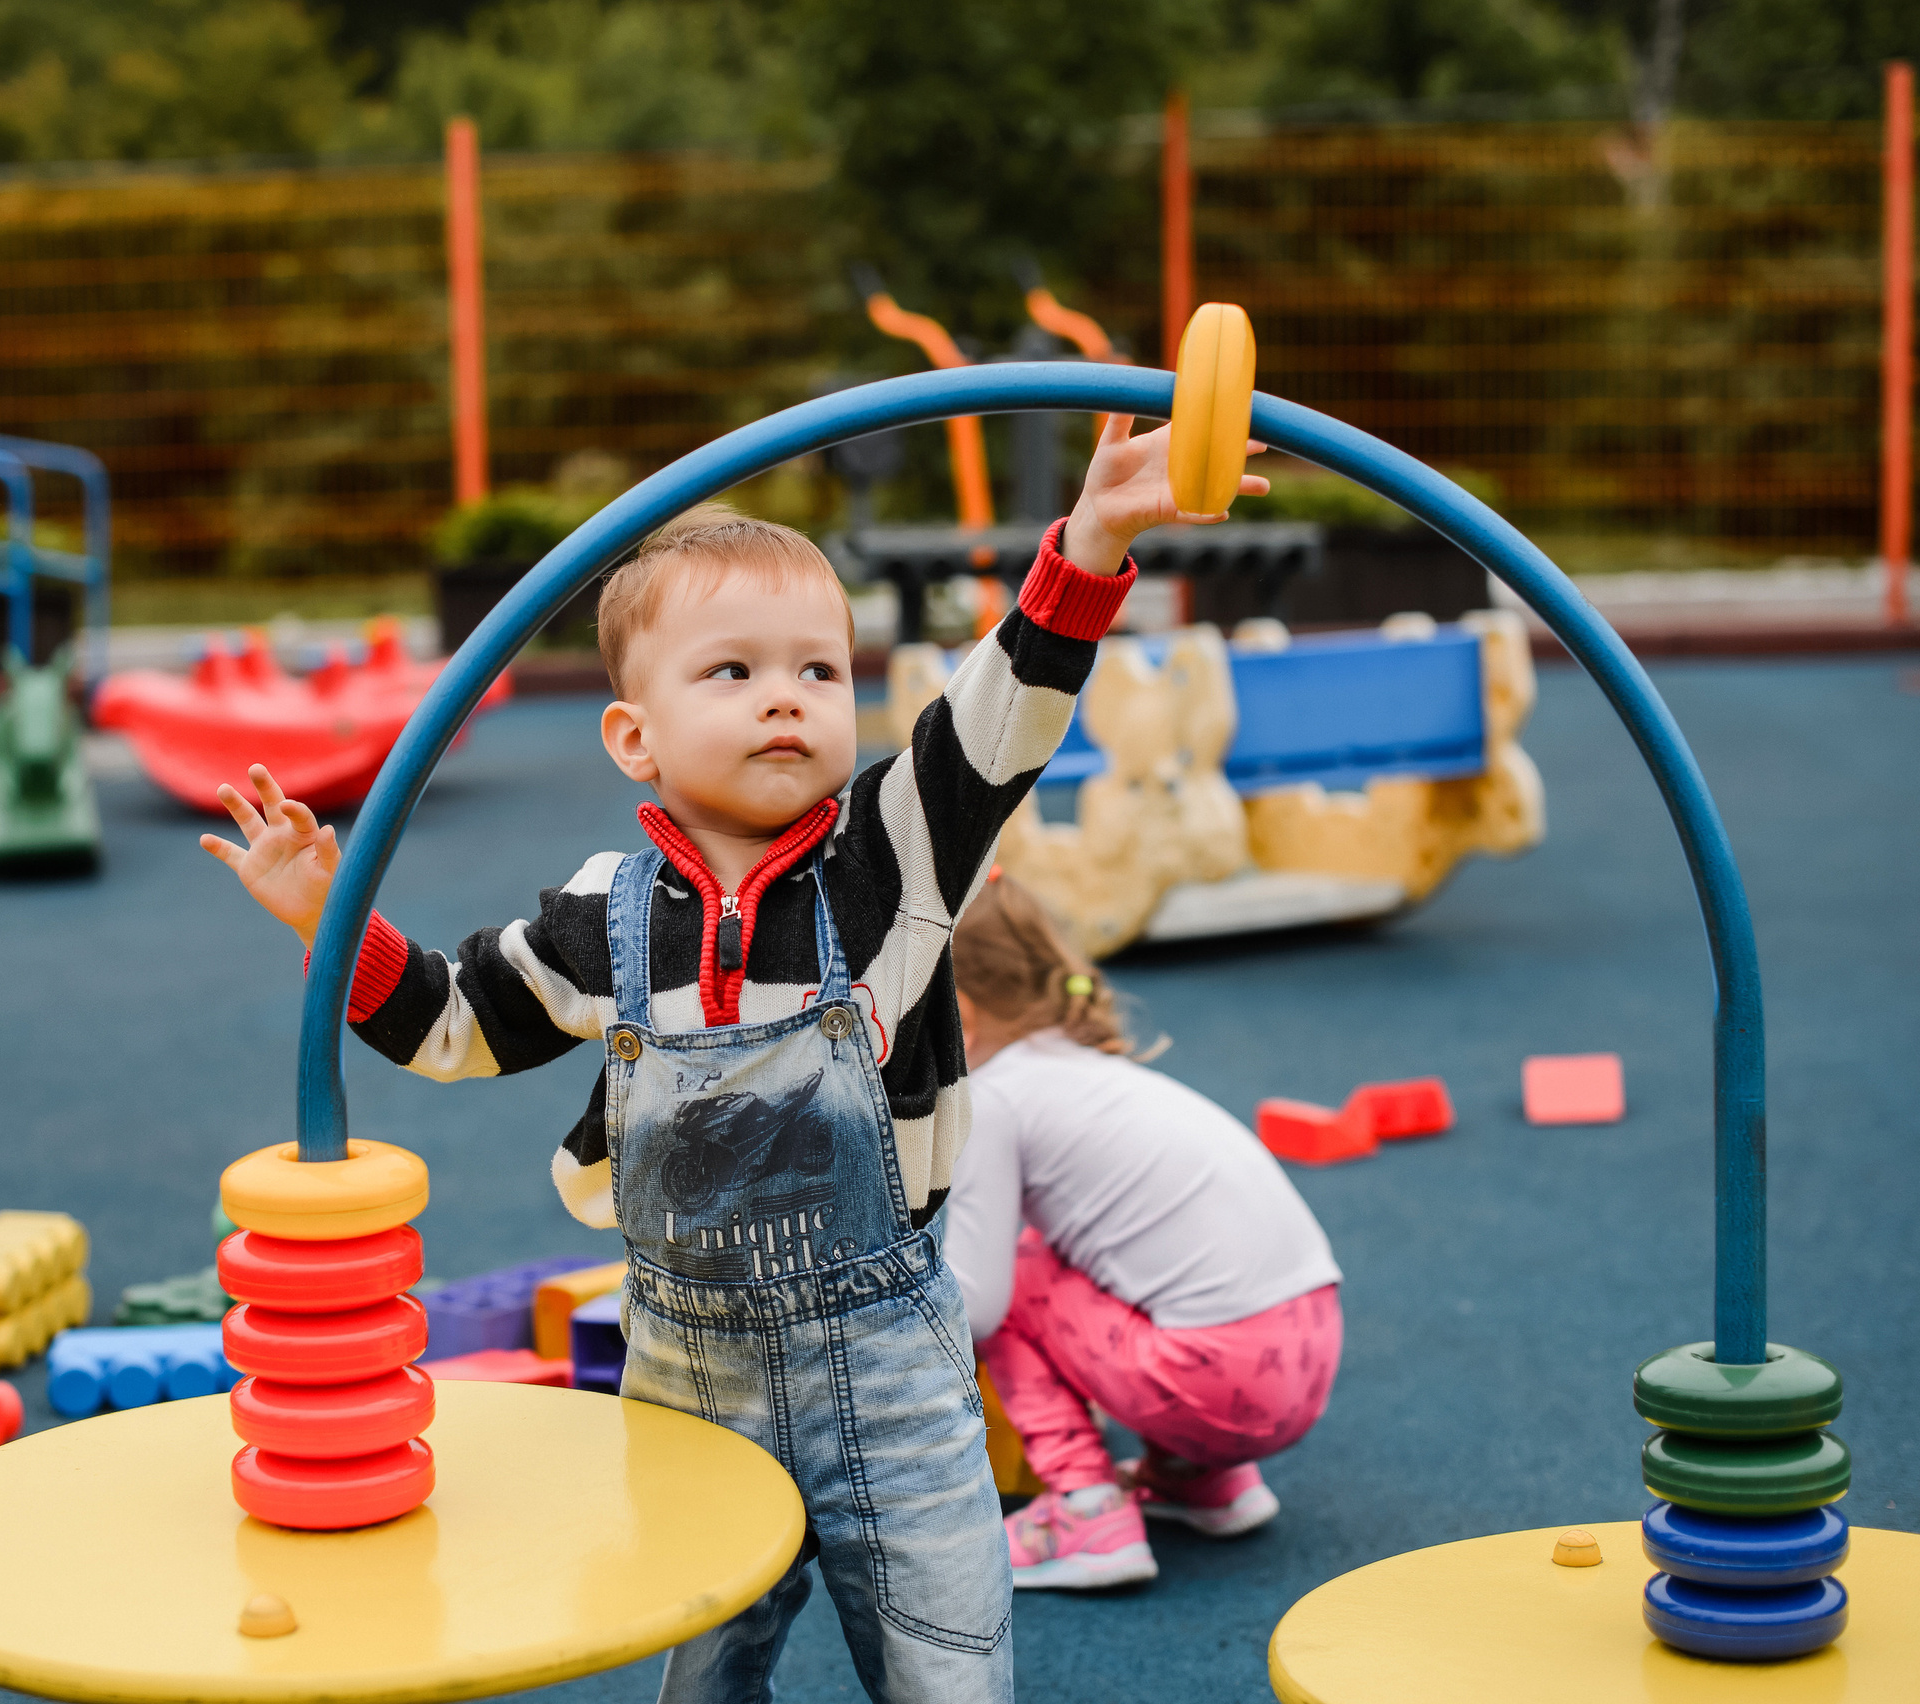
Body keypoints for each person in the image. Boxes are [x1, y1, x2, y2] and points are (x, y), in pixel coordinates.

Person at [205, 415, 1267, 1703]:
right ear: (632, 738)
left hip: (888, 1364)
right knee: (701, 1671)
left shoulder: (893, 856)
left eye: (820, 670)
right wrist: (334, 922)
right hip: (685, 1373)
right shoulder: (599, 917)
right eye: (732, 672)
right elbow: (452, 1026)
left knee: (948, 1673)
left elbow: (1001, 716)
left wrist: (1091, 540)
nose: (786, 695)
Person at [941, 873, 1342, 1592]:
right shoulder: (1091, 1073)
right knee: (1112, 1261)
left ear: (958, 1014)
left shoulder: (994, 1097)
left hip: (1219, 1384)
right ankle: (1199, 1480)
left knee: (1018, 1272)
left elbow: (980, 1306)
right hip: (1307, 1359)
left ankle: (1087, 1514)